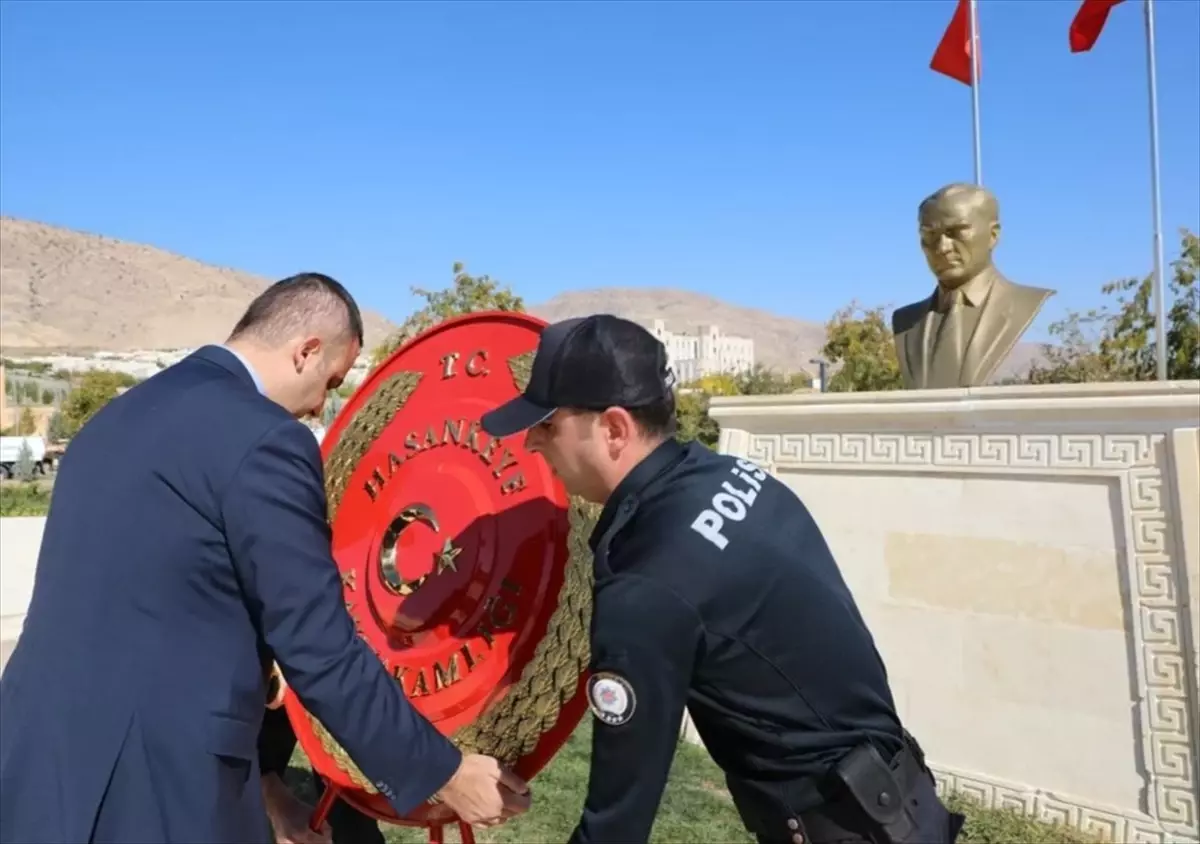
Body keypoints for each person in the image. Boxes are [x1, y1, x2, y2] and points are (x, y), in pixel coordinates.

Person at [0, 273, 530, 844]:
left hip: (41, 753)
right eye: (329, 381)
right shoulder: (265, 438)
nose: (321, 405)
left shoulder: (117, 418)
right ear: (306, 350)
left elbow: (164, 587)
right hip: (158, 781)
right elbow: (318, 645)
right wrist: (442, 773)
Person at [479, 315, 964, 844]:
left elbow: (616, 824)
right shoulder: (734, 476)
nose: (531, 443)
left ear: (614, 429)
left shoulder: (646, 578)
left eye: (547, 425)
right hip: (903, 804)